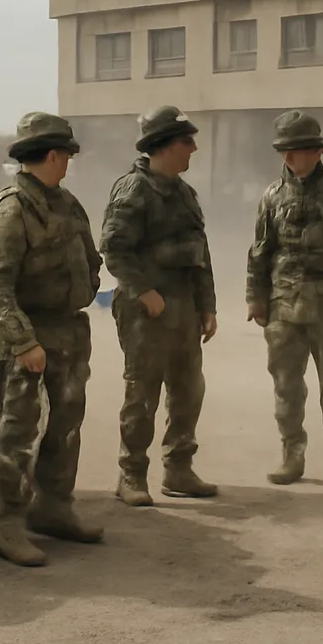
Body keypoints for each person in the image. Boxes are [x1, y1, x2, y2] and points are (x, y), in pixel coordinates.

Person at [0, 112, 103, 567]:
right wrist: (24, 343)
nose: (69, 163)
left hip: (69, 331)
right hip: (30, 336)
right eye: (66, 155)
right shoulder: (13, 208)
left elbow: (90, 257)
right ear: (52, 155)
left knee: (66, 426)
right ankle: (5, 524)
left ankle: (54, 507)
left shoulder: (66, 203)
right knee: (19, 432)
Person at [100, 105, 218, 507]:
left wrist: (207, 307)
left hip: (183, 308)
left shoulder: (185, 194)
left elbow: (200, 254)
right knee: (143, 392)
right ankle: (130, 474)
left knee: (188, 391)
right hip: (144, 311)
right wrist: (144, 291)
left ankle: (179, 470)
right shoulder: (134, 189)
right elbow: (114, 249)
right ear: (164, 146)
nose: (194, 148)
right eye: (187, 141)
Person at [246, 110, 323, 490]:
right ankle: (292, 454)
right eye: (284, 150)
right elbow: (260, 252)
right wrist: (256, 298)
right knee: (286, 385)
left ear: (316, 152)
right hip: (284, 306)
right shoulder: (272, 195)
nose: (288, 158)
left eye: (295, 150)